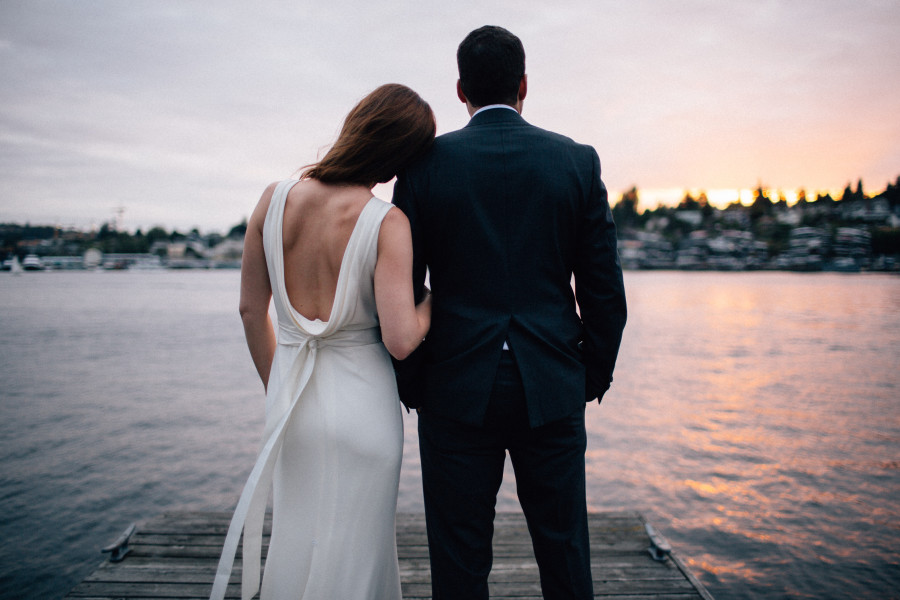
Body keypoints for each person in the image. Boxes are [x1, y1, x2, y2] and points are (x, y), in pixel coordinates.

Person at [392, 26, 627, 599]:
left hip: (454, 386)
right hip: (551, 382)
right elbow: (603, 290)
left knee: (458, 560)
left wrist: (415, 382)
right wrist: (587, 375)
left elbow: (401, 286)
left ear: (459, 90)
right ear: (524, 85)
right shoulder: (576, 162)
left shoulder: (422, 167)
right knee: (565, 551)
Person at [209, 83, 435, 600]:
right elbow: (402, 340)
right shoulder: (386, 222)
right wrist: (438, 301)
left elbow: (250, 310)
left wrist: (279, 388)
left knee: (297, 538)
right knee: (358, 553)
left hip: (293, 405)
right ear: (401, 157)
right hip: (365, 412)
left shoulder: (273, 198)